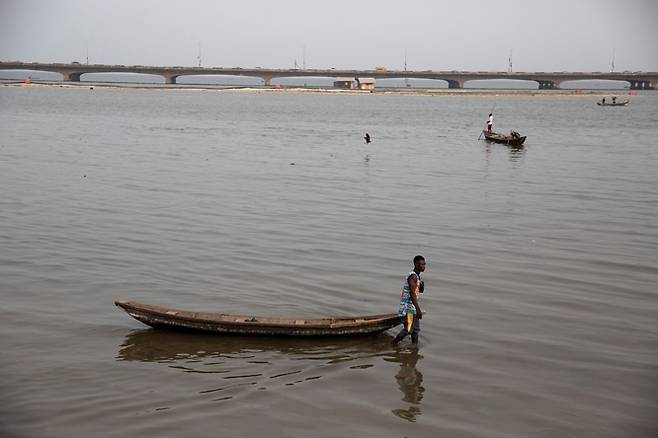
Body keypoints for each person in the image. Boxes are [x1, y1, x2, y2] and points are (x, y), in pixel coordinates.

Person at [392, 255, 426, 346]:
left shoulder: (417, 277)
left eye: (424, 264)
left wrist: (421, 287)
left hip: (412, 307)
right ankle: (393, 344)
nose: (423, 266)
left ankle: (414, 348)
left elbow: (416, 291)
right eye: (421, 264)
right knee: (408, 329)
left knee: (415, 330)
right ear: (415, 264)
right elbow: (412, 294)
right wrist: (418, 309)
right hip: (408, 308)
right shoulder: (413, 277)